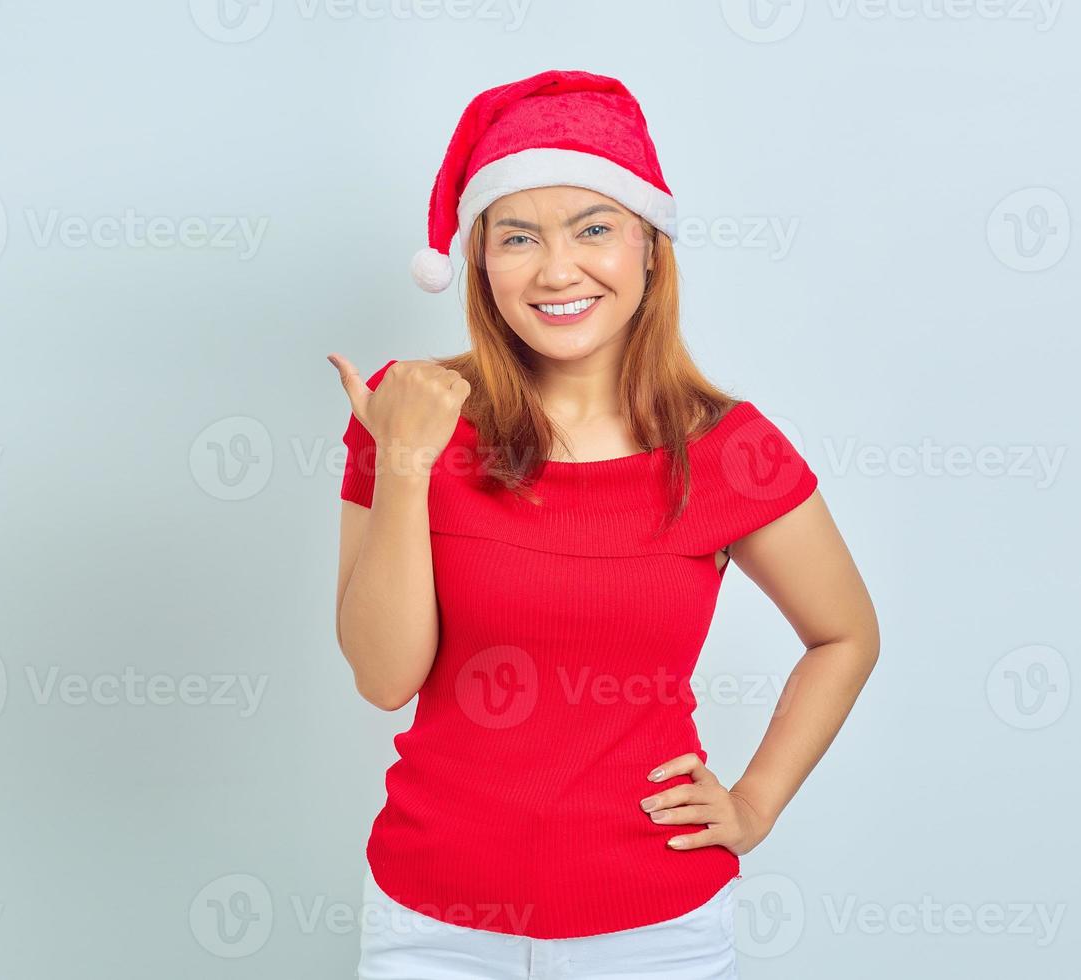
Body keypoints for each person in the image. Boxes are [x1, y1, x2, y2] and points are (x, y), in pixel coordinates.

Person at [331, 69, 879, 980]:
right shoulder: (406, 410)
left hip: (656, 930)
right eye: (517, 237)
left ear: (650, 247)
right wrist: (404, 463)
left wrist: (754, 805)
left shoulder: (728, 448)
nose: (556, 270)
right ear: (479, 260)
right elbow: (384, 678)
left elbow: (844, 634)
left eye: (594, 228)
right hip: (432, 924)